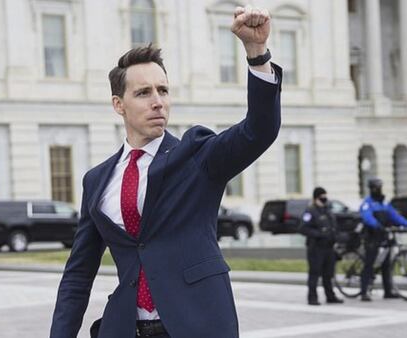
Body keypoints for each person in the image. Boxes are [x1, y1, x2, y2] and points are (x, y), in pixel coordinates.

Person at [50, 5, 281, 338]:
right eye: (143, 93)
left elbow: (258, 130)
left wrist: (257, 54)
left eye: (163, 90)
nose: (157, 101)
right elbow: (78, 275)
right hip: (126, 328)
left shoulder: (197, 155)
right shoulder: (97, 181)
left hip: (197, 325)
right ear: (119, 105)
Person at [359, 178, 407, 301]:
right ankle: (364, 291)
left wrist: (406, 223)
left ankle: (388, 291)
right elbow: (367, 217)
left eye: (380, 187)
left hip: (383, 235)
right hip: (372, 236)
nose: (379, 190)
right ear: (371, 189)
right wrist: (377, 225)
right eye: (377, 187)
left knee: (386, 264)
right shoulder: (367, 203)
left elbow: (394, 215)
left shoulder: (384, 203)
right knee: (369, 264)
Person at [298, 187, 344, 306]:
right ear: (315, 198)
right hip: (316, 247)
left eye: (325, 196)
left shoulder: (327, 210)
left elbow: (333, 227)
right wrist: (319, 234)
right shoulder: (310, 211)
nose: (324, 199)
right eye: (321, 197)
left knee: (328, 274)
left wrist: (336, 237)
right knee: (314, 273)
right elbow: (303, 228)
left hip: (329, 247)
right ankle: (312, 298)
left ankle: (330, 296)